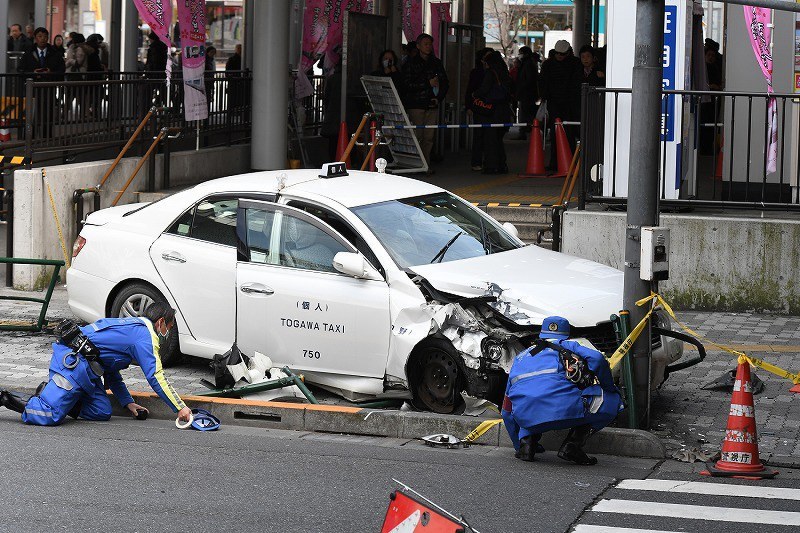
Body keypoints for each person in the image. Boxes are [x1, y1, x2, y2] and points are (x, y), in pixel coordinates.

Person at [0, 303, 192, 426]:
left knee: (101, 411)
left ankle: (52, 394)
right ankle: (5, 397)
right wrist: (180, 407)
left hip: (87, 369)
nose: (169, 331)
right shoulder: (145, 336)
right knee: (49, 415)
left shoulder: (134, 326)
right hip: (72, 362)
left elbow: (111, 370)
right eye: (170, 326)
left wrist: (127, 402)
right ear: (160, 322)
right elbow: (156, 376)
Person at [501, 316, 623, 465]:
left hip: (529, 419)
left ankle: (527, 444)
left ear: (542, 334)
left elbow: (507, 411)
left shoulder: (520, 358)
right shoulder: (568, 346)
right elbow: (597, 358)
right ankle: (572, 445)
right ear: (566, 335)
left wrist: (517, 445)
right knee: (613, 400)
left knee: (527, 401)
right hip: (565, 413)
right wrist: (608, 387)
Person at [401, 32, 448, 171]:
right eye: (425, 44)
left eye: (430, 44)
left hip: (432, 104)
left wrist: (438, 98)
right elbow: (406, 85)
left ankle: (425, 164)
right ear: (418, 46)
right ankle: (417, 164)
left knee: (429, 137)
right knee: (417, 136)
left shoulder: (436, 63)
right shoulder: (410, 63)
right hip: (416, 104)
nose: (428, 47)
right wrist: (427, 84)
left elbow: (445, 83)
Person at [539, 39, 581, 171]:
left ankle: (564, 162)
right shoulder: (574, 63)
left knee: (566, 133)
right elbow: (542, 83)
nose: (559, 56)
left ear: (568, 52)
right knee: (558, 133)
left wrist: (545, 96)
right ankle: (559, 162)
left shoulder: (549, 64)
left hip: (566, 103)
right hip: (559, 103)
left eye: (562, 54)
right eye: (557, 53)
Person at [19, 27, 65, 137]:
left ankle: (46, 136)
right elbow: (21, 70)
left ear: (48, 38)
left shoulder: (55, 53)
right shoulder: (28, 53)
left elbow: (61, 70)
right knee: (32, 113)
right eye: (40, 36)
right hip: (33, 89)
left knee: (48, 113)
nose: (43, 39)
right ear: (35, 38)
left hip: (49, 88)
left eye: (45, 36)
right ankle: (31, 136)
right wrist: (33, 73)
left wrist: (51, 72)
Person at [472, 50, 512, 174]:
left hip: (493, 111)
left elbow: (484, 89)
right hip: (504, 111)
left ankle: (491, 166)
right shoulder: (505, 72)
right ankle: (501, 165)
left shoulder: (491, 73)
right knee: (498, 140)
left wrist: (475, 94)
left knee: (490, 140)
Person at [465, 48, 490, 171]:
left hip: (489, 107)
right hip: (479, 106)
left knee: (488, 135)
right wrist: (469, 106)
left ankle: (488, 161)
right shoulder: (476, 72)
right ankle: (477, 162)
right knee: (479, 135)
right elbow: (470, 90)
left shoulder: (494, 72)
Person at [514, 46, 540, 141]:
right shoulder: (527, 64)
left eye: (521, 53)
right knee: (526, 114)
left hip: (526, 94)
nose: (519, 55)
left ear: (526, 54)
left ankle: (524, 132)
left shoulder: (527, 64)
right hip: (527, 94)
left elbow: (529, 80)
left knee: (524, 114)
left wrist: (521, 88)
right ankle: (526, 131)